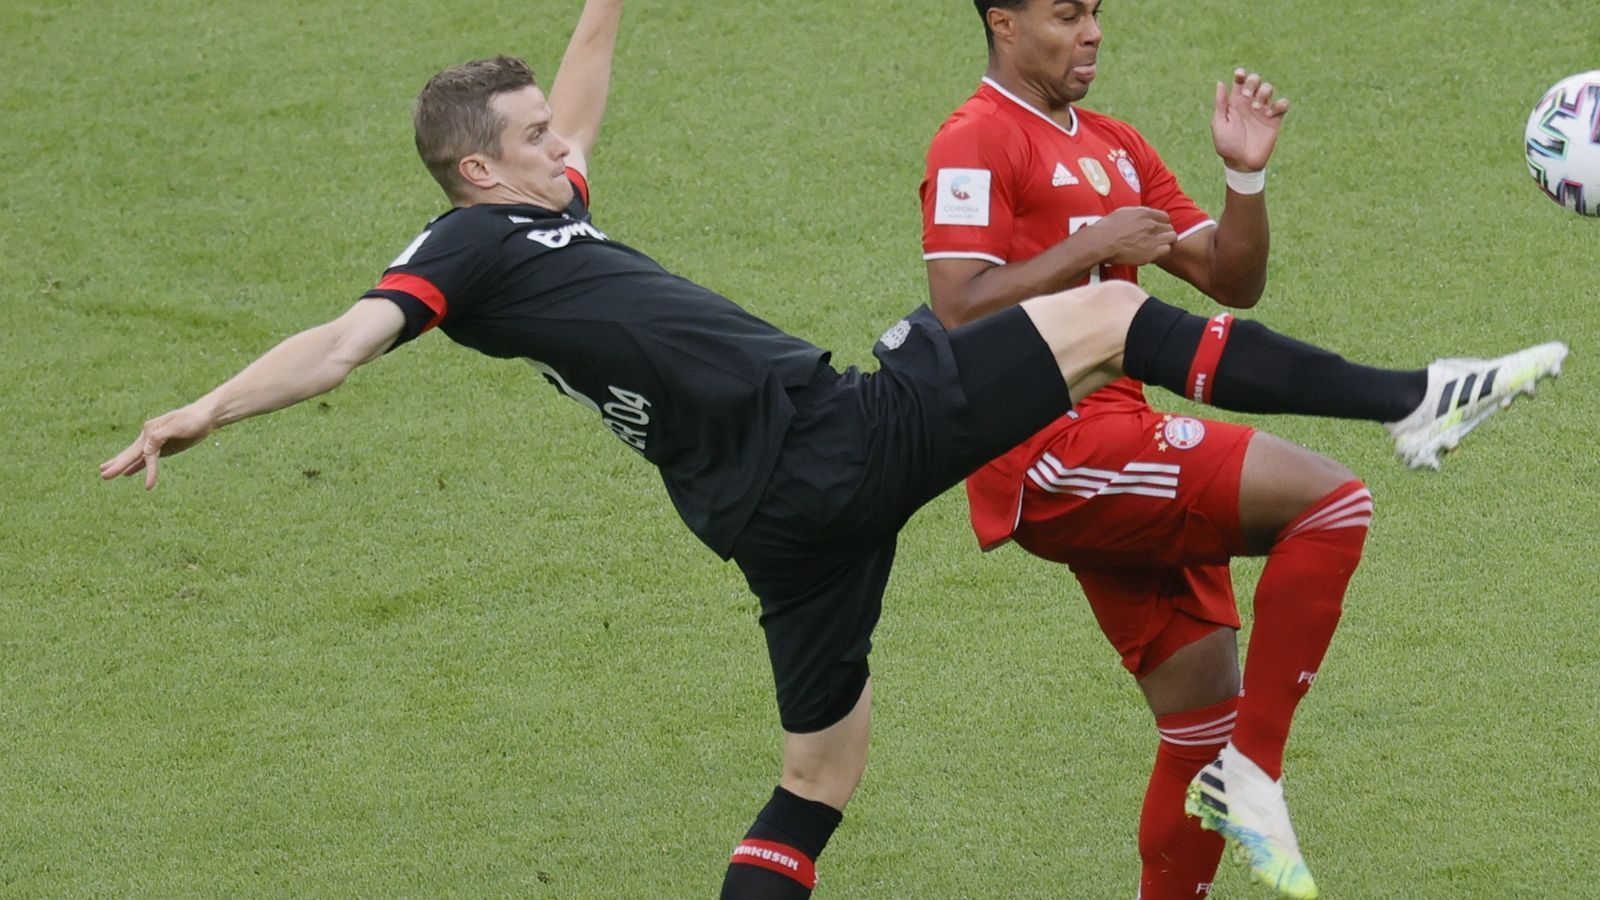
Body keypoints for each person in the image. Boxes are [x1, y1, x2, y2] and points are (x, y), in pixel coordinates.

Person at [102, 1, 1563, 897]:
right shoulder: (463, 249)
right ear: (479, 168)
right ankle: (1406, 400)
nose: (564, 143)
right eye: (535, 136)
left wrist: (605, 6)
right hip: (825, 434)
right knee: (1108, 310)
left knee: (817, 777)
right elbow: (345, 344)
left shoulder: (539, 219)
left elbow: (586, 86)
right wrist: (205, 409)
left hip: (769, 525)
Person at [919, 2, 1567, 898]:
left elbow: (1232, 277)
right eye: (1067, 15)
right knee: (1331, 502)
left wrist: (1244, 180)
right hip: (1050, 448)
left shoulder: (1115, 142)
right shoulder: (977, 140)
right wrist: (1095, 246)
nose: (1093, 32)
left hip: (1122, 437)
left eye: (1097, 12)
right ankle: (1254, 774)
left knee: (1196, 722)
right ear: (1003, 23)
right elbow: (957, 311)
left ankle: (1231, 774)